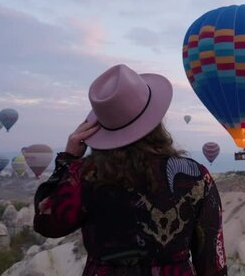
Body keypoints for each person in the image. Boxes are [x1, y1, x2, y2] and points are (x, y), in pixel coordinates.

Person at [33, 64, 227, 275]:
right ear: (155, 120)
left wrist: (68, 160)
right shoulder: (195, 176)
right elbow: (212, 261)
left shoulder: (85, 175)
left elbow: (47, 223)